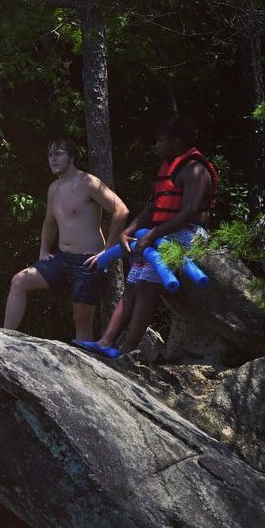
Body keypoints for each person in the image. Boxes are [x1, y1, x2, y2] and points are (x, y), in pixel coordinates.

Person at [91, 114, 218, 356]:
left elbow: (190, 212)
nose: (156, 145)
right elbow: (152, 208)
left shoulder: (194, 169)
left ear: (177, 141)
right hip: (160, 233)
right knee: (133, 280)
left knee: (148, 281)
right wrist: (127, 233)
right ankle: (106, 342)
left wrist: (152, 236)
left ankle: (128, 350)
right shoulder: (168, 168)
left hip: (189, 233)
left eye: (161, 140)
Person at [2, 138, 129, 347]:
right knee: (19, 281)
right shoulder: (54, 188)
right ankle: (4, 341)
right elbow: (49, 222)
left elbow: (121, 211)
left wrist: (108, 251)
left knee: (81, 321)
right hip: (62, 259)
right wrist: (43, 249)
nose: (53, 159)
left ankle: (85, 370)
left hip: (88, 261)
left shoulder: (89, 182)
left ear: (71, 157)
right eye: (50, 155)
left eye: (59, 153)